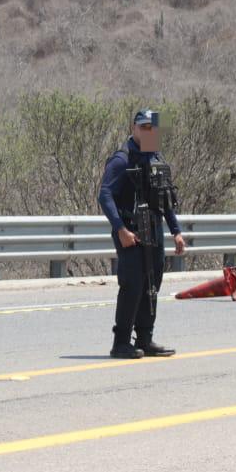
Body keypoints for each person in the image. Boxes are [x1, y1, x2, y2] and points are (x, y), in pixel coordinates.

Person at [98, 109, 187, 359]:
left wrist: (176, 232)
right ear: (134, 128)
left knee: (152, 285)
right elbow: (105, 195)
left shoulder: (156, 157)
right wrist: (121, 229)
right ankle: (121, 342)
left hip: (154, 230)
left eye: (154, 128)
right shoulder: (121, 159)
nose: (151, 132)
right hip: (130, 231)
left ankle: (145, 339)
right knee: (133, 285)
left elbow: (165, 198)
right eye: (145, 127)